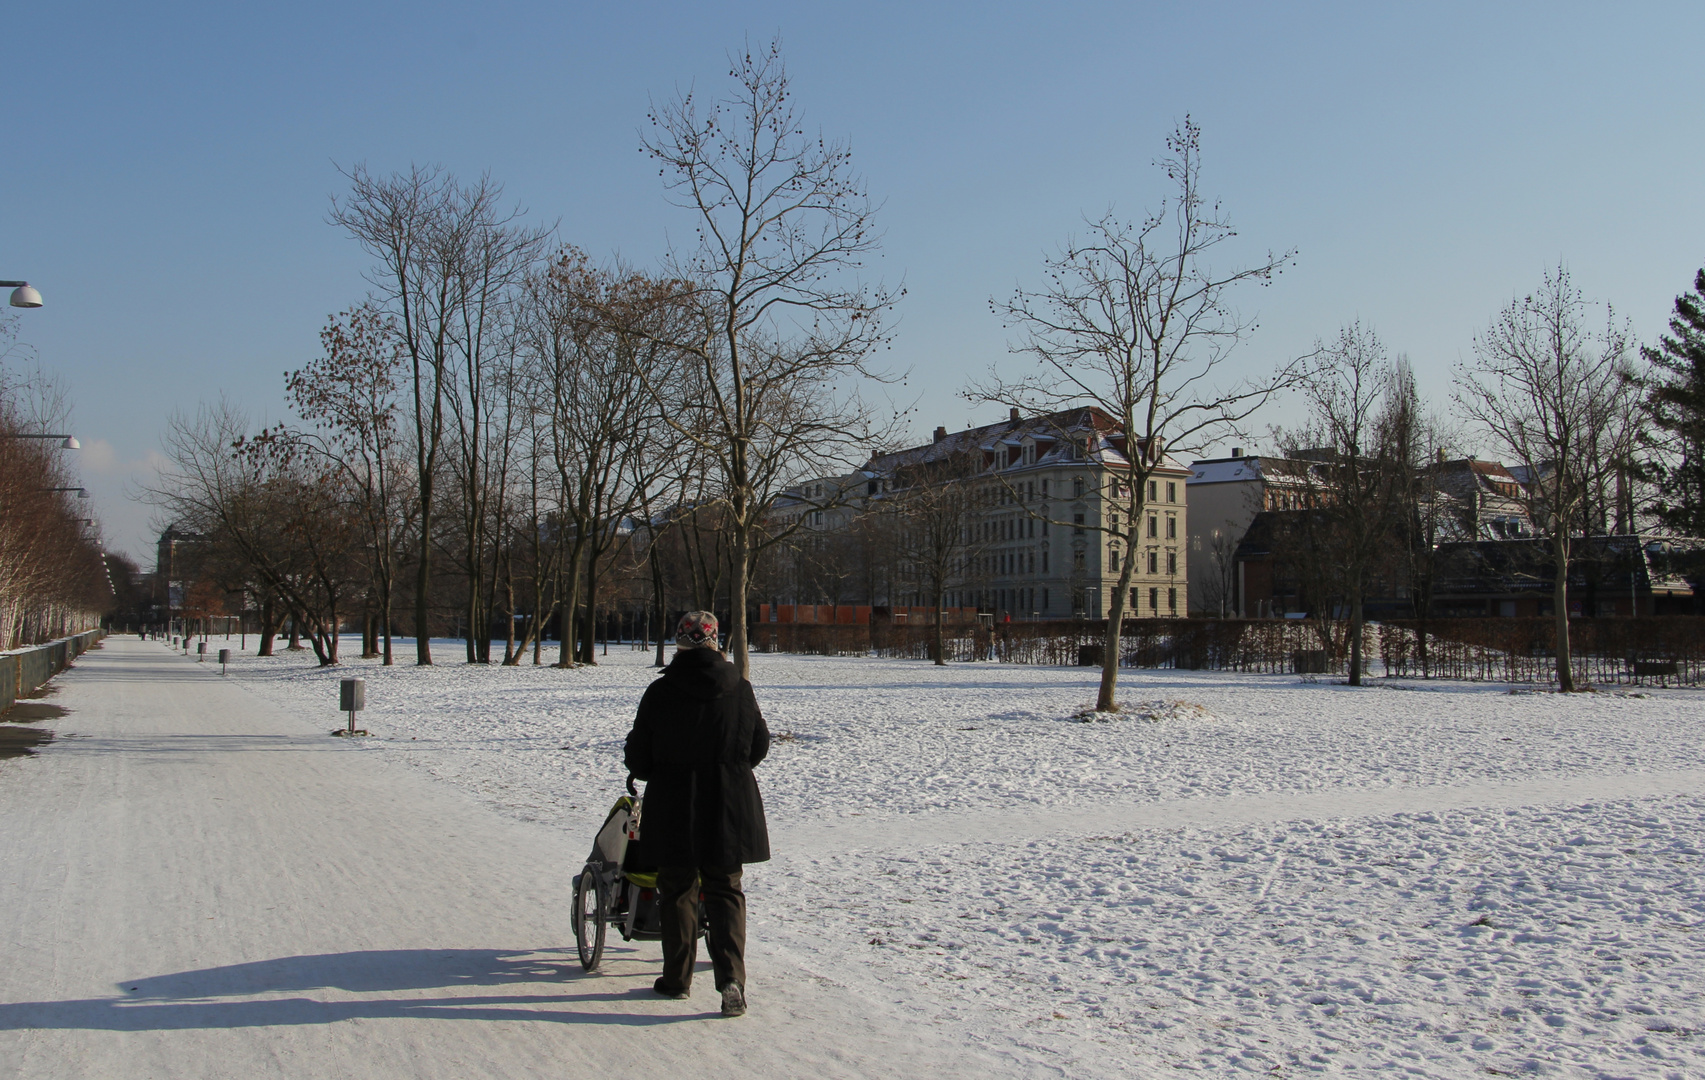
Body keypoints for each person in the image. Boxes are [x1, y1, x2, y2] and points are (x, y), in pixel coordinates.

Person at [624, 611, 770, 1018]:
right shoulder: (740, 688)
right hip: (728, 801)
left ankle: (677, 980)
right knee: (725, 888)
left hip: (674, 802)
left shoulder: (661, 692)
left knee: (678, 888)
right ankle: (731, 982)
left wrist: (658, 771)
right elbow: (758, 745)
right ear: (715, 641)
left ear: (680, 642)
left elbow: (638, 754)